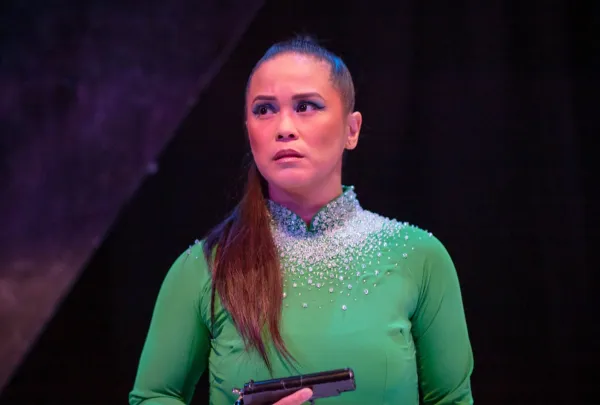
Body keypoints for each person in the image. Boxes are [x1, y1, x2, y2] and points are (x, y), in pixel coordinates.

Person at [129, 36, 474, 405]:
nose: (284, 128)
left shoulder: (418, 257)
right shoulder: (205, 266)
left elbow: (452, 400)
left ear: (352, 129)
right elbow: (153, 397)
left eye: (306, 106)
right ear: (248, 130)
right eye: (264, 110)